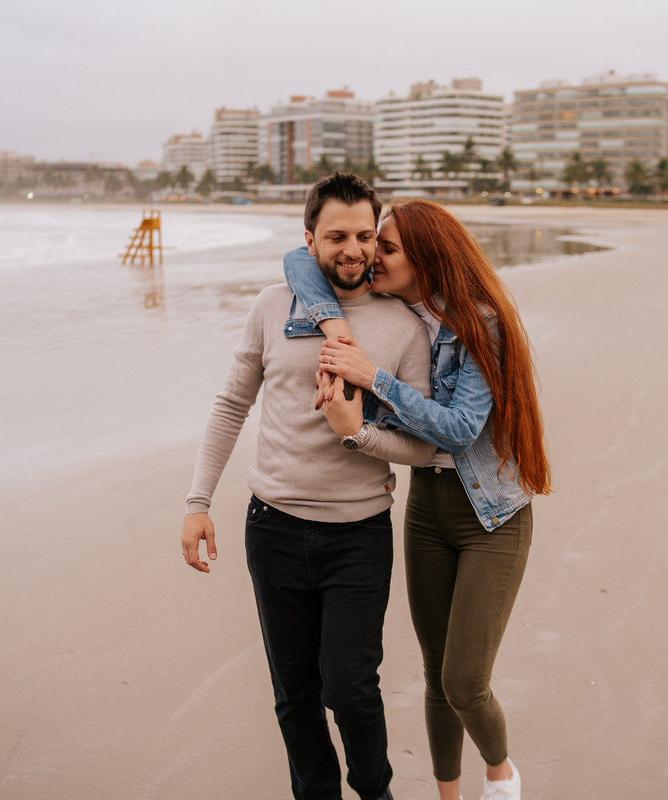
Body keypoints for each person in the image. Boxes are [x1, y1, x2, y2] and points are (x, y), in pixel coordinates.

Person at [283, 198, 552, 800]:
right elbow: (299, 260)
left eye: (387, 247)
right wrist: (335, 329)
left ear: (426, 258)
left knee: (464, 682)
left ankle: (502, 775)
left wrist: (371, 376)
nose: (371, 257)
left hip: (492, 517)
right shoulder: (402, 313)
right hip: (428, 508)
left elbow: (459, 430)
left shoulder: (481, 323)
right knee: (435, 676)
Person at [181, 173, 438, 800]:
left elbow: (424, 445)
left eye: (364, 236)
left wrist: (358, 434)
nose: (353, 250)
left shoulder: (404, 326)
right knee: (294, 695)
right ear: (309, 239)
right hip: (272, 528)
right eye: (336, 237)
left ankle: (376, 793)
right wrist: (198, 502)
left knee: (350, 688)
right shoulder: (273, 306)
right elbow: (231, 404)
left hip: (359, 535)